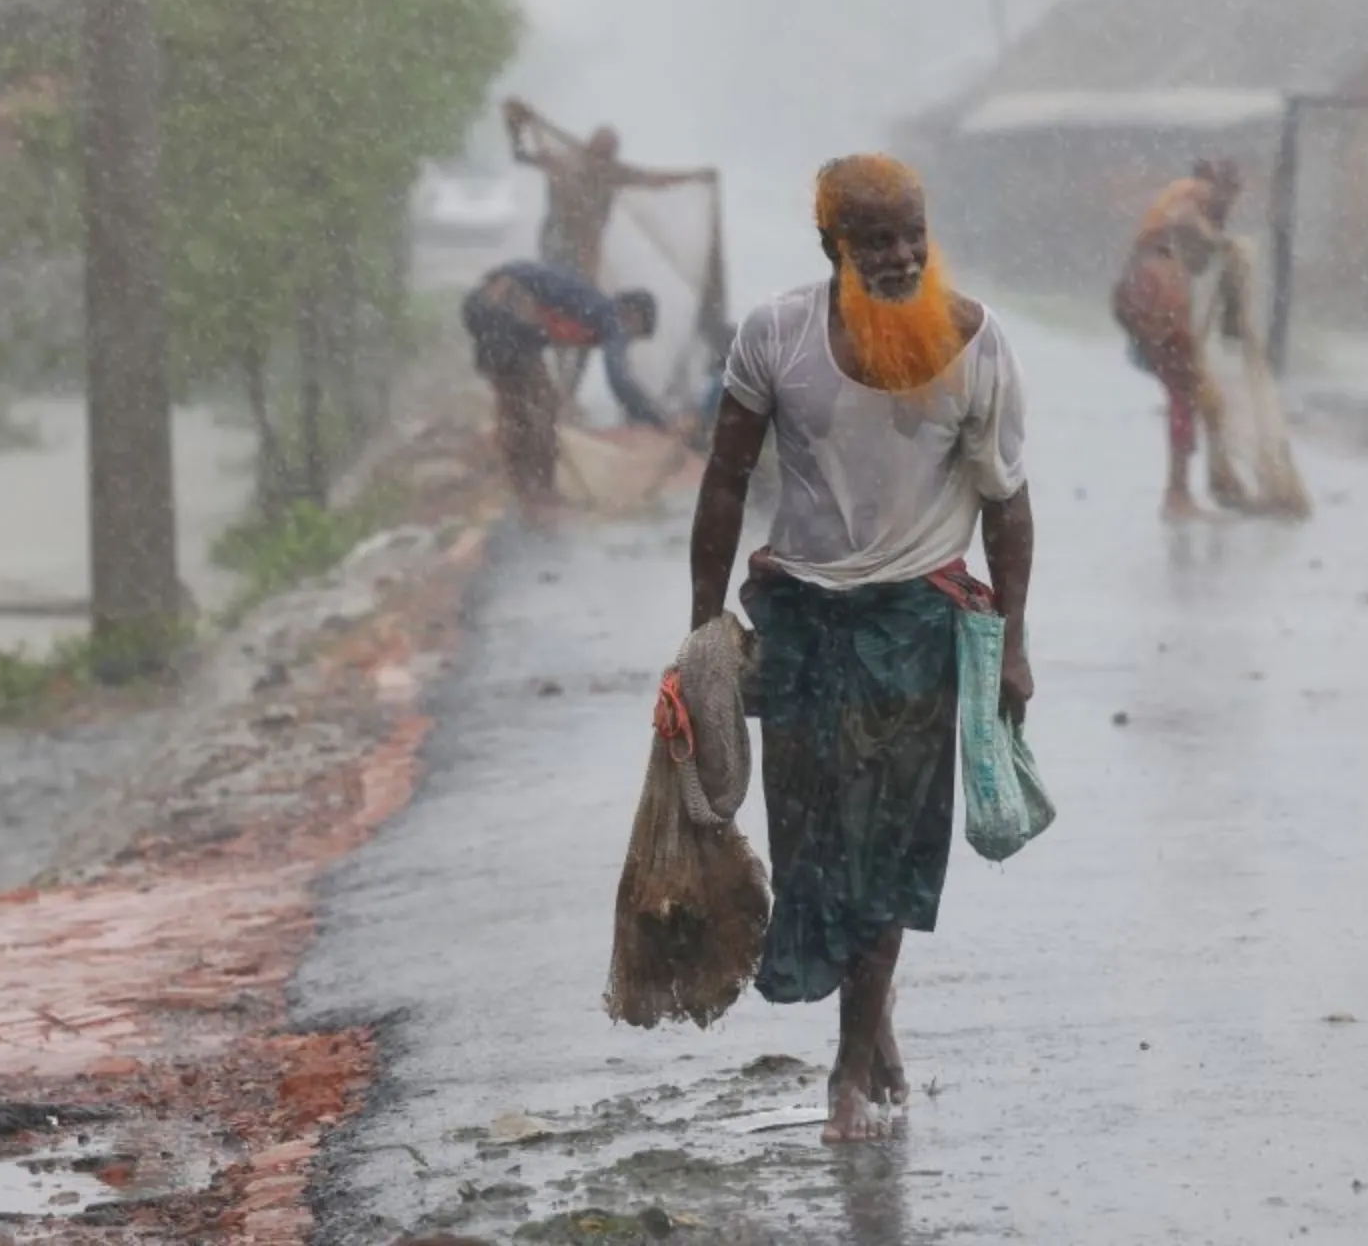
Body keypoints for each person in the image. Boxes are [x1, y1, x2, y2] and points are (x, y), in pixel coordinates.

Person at [689, 153, 1033, 1145]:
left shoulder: (975, 341)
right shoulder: (778, 335)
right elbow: (724, 479)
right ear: (831, 244)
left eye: (911, 232)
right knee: (809, 849)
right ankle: (873, 1018)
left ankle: (847, 1066)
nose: (899, 253)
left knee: (885, 850)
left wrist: (1013, 641)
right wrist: (705, 622)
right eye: (875, 237)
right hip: (801, 623)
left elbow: (1009, 507)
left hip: (915, 628)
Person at [460, 260, 673, 509]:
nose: (626, 341)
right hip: (503, 311)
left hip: (484, 308)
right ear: (633, 316)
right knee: (539, 409)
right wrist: (657, 420)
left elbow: (533, 332)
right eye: (635, 335)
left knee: (519, 406)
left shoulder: (583, 309)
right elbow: (619, 379)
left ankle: (525, 490)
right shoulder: (611, 317)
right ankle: (540, 494)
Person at [1112, 159, 1249, 519]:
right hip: (1156, 291)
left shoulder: (1177, 197)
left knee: (1193, 393)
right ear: (1220, 184)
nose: (1230, 204)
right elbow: (1186, 220)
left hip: (1143, 289)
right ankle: (1178, 493)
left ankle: (1200, 484)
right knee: (1184, 390)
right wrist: (1220, 240)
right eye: (1231, 194)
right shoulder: (1195, 192)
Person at [502, 97, 718, 285]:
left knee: (579, 294)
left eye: (607, 155)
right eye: (599, 152)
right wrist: (515, 126)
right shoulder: (562, 162)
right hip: (556, 239)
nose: (601, 162)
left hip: (586, 251)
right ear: (589, 147)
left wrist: (693, 176)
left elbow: (654, 179)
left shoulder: (614, 174)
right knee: (552, 286)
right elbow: (520, 155)